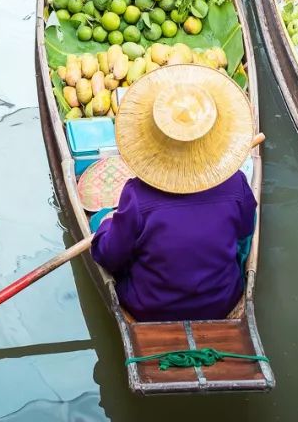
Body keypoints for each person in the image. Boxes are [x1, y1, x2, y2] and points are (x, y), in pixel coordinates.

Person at [88, 64, 261, 323]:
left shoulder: (136, 196)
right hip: (221, 301)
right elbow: (246, 229)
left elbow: (109, 257)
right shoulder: (236, 183)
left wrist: (105, 226)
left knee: (100, 222)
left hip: (149, 307)